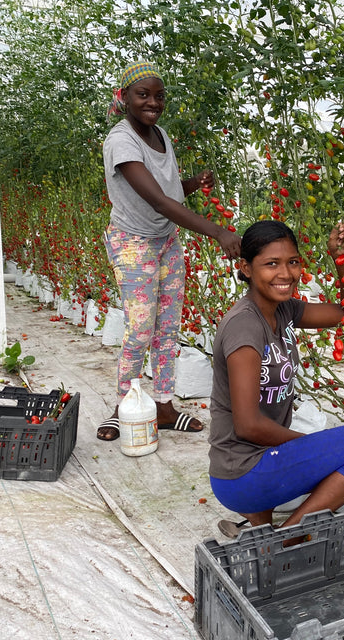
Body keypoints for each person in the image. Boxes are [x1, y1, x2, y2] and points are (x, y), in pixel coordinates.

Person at [208, 219, 344, 536]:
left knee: (337, 445)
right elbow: (248, 425)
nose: (286, 273)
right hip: (242, 472)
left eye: (292, 262)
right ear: (246, 268)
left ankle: (263, 526)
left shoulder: (284, 310)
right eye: (271, 264)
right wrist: (313, 447)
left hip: (259, 462)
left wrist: (340, 257)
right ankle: (285, 540)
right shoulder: (244, 326)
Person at [97, 61, 242, 441]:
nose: (153, 102)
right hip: (133, 243)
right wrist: (218, 232)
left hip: (165, 241)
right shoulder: (121, 140)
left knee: (167, 328)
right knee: (140, 329)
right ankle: (124, 406)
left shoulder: (160, 134)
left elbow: (167, 190)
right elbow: (158, 201)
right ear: (124, 97)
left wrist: (194, 182)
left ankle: (163, 405)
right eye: (143, 95)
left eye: (159, 96)